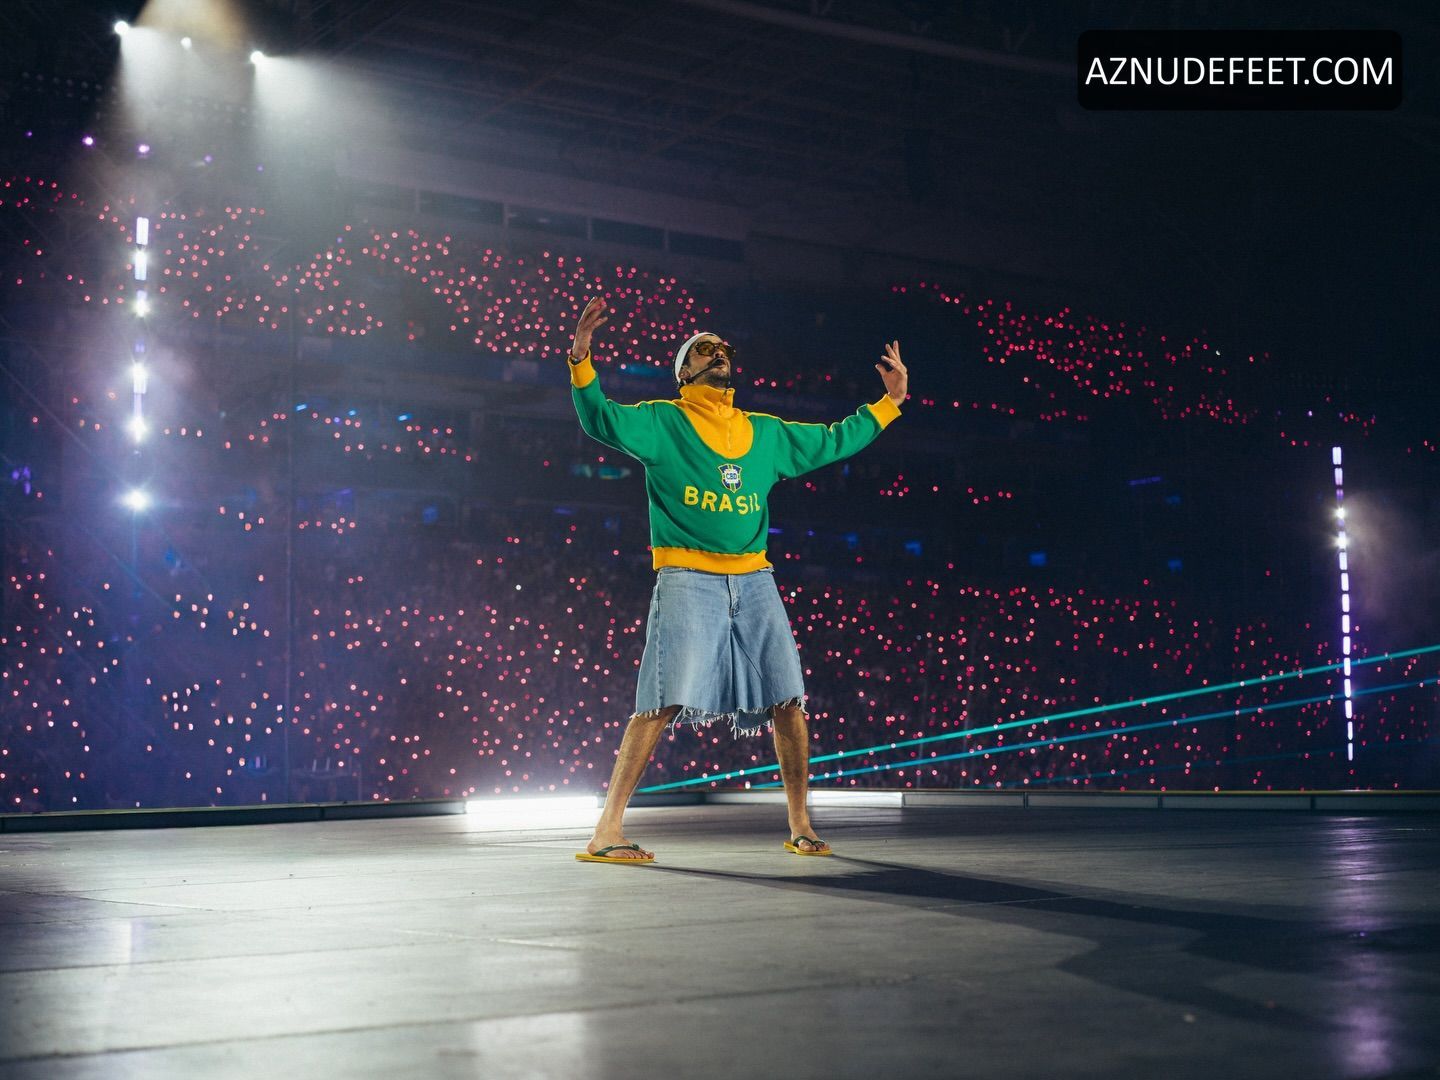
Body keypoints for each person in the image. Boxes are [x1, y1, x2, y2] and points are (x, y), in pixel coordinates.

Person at [566, 296, 909, 863]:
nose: (719, 353)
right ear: (683, 372)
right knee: (660, 702)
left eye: (723, 349)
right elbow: (600, 417)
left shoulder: (763, 432)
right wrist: (581, 360)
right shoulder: (663, 420)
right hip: (687, 576)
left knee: (789, 699)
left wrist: (888, 403)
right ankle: (607, 830)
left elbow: (832, 439)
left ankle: (800, 824)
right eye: (704, 350)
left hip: (754, 579)